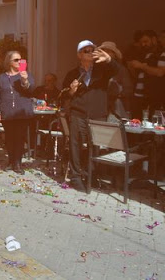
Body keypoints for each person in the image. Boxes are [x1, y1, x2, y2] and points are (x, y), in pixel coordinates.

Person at [61, 40, 116, 191]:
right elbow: (62, 95)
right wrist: (71, 91)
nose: (90, 52)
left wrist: (109, 60)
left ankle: (92, 175)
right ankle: (76, 177)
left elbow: (118, 70)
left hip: (98, 115)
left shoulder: (102, 72)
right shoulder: (72, 74)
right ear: (79, 55)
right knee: (75, 146)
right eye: (86, 50)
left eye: (92, 50)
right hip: (78, 113)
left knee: (96, 147)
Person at [0, 50, 35, 174]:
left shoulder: (26, 74)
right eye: (16, 60)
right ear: (9, 62)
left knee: (19, 138)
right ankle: (11, 161)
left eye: (21, 60)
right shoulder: (2, 77)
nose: (19, 62)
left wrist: (24, 80)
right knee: (9, 138)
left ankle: (18, 163)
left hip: (22, 112)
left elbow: (31, 90)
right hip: (7, 112)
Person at [127, 30, 165, 117]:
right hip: (140, 97)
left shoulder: (162, 54)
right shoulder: (146, 55)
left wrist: (141, 66)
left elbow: (160, 72)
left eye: (146, 41)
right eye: (142, 42)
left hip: (154, 98)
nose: (144, 44)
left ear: (154, 39)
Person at [98, 41, 133, 119]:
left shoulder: (121, 70)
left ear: (114, 55)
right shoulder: (98, 69)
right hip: (101, 109)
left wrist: (115, 93)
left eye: (108, 51)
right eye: (103, 51)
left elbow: (128, 90)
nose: (105, 53)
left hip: (117, 109)